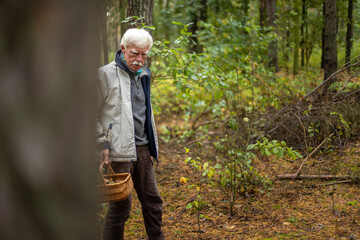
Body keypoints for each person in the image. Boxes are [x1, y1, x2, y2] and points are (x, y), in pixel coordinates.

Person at [96, 28, 164, 240]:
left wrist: (153, 146)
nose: (139, 59)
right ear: (123, 49)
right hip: (118, 150)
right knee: (121, 207)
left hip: (143, 149)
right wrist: (102, 144)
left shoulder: (144, 74)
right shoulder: (104, 75)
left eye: (144, 54)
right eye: (135, 53)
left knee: (153, 202)